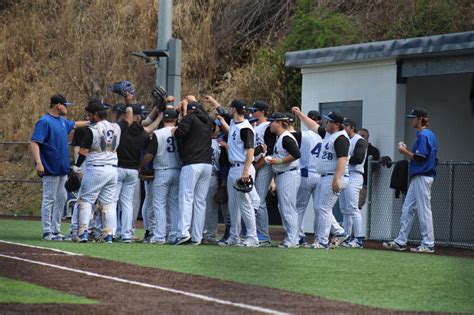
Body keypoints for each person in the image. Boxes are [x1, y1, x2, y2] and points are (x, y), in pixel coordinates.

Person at [30, 94, 89, 241]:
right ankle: (47, 231)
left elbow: (75, 124)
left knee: (61, 199)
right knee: (49, 199)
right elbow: (35, 142)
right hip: (50, 167)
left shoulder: (62, 121)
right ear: (58, 105)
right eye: (65, 105)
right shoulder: (44, 122)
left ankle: (56, 230)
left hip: (62, 168)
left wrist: (92, 122)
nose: (67, 107)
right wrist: (38, 162)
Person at [292, 107, 350, 249]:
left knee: (323, 208)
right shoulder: (329, 134)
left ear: (336, 124)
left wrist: (336, 179)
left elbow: (343, 159)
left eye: (329, 121)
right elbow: (313, 125)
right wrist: (300, 114)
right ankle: (340, 232)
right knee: (320, 208)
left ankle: (323, 241)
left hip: (334, 177)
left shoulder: (341, 138)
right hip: (326, 176)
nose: (326, 123)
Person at [383, 108, 438, 253]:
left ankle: (428, 243)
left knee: (424, 209)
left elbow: (421, 157)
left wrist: (404, 152)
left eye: (413, 118)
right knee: (408, 208)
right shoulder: (427, 134)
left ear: (421, 119)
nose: (411, 120)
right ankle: (401, 241)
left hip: (423, 175)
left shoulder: (424, 135)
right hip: (419, 176)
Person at [72, 100, 121, 243]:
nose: (88, 117)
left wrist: (76, 167)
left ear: (96, 114)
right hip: (112, 169)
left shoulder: (91, 130)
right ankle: (108, 235)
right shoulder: (116, 127)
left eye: (89, 114)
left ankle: (82, 233)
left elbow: (83, 151)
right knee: (109, 203)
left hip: (96, 168)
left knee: (86, 200)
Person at [216, 99, 259, 247]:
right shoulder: (235, 125)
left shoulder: (246, 128)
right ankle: (234, 236)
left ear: (234, 109)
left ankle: (252, 237)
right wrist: (222, 121)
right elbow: (233, 133)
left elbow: (250, 151)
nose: (229, 110)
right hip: (234, 168)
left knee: (245, 204)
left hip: (243, 168)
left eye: (231, 108)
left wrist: (246, 171)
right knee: (233, 205)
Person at [173, 98, 213, 245]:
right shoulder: (207, 120)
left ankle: (183, 233)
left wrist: (178, 125)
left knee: (186, 197)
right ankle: (197, 236)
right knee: (200, 202)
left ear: (189, 110)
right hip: (207, 164)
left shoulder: (190, 118)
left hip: (192, 164)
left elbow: (179, 134)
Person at [141, 109, 181, 244]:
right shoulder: (180, 131)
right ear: (175, 120)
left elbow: (149, 155)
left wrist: (140, 165)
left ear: (164, 120)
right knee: (174, 204)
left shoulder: (158, 133)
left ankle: (159, 236)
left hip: (162, 170)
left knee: (159, 204)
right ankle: (174, 234)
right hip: (177, 170)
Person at [266, 112, 301, 248]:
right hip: (284, 174)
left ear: (280, 123)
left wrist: (278, 161)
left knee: (288, 208)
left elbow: (297, 154)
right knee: (284, 207)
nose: (270, 124)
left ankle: (293, 239)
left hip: (289, 174)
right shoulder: (280, 137)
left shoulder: (286, 137)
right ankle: (292, 238)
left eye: (272, 121)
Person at [339, 118, 368, 248]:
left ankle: (358, 239)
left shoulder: (359, 140)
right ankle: (346, 236)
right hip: (345, 175)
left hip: (355, 175)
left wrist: (343, 158)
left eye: (345, 125)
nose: (343, 128)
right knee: (345, 209)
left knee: (352, 208)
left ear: (351, 127)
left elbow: (358, 158)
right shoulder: (346, 140)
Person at [357, 128, 380, 209]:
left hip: (363, 183)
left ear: (368, 137)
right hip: (350, 181)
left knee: (357, 206)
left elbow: (371, 167)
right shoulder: (353, 149)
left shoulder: (373, 151)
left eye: (363, 136)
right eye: (359, 136)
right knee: (347, 205)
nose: (361, 138)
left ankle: (354, 222)